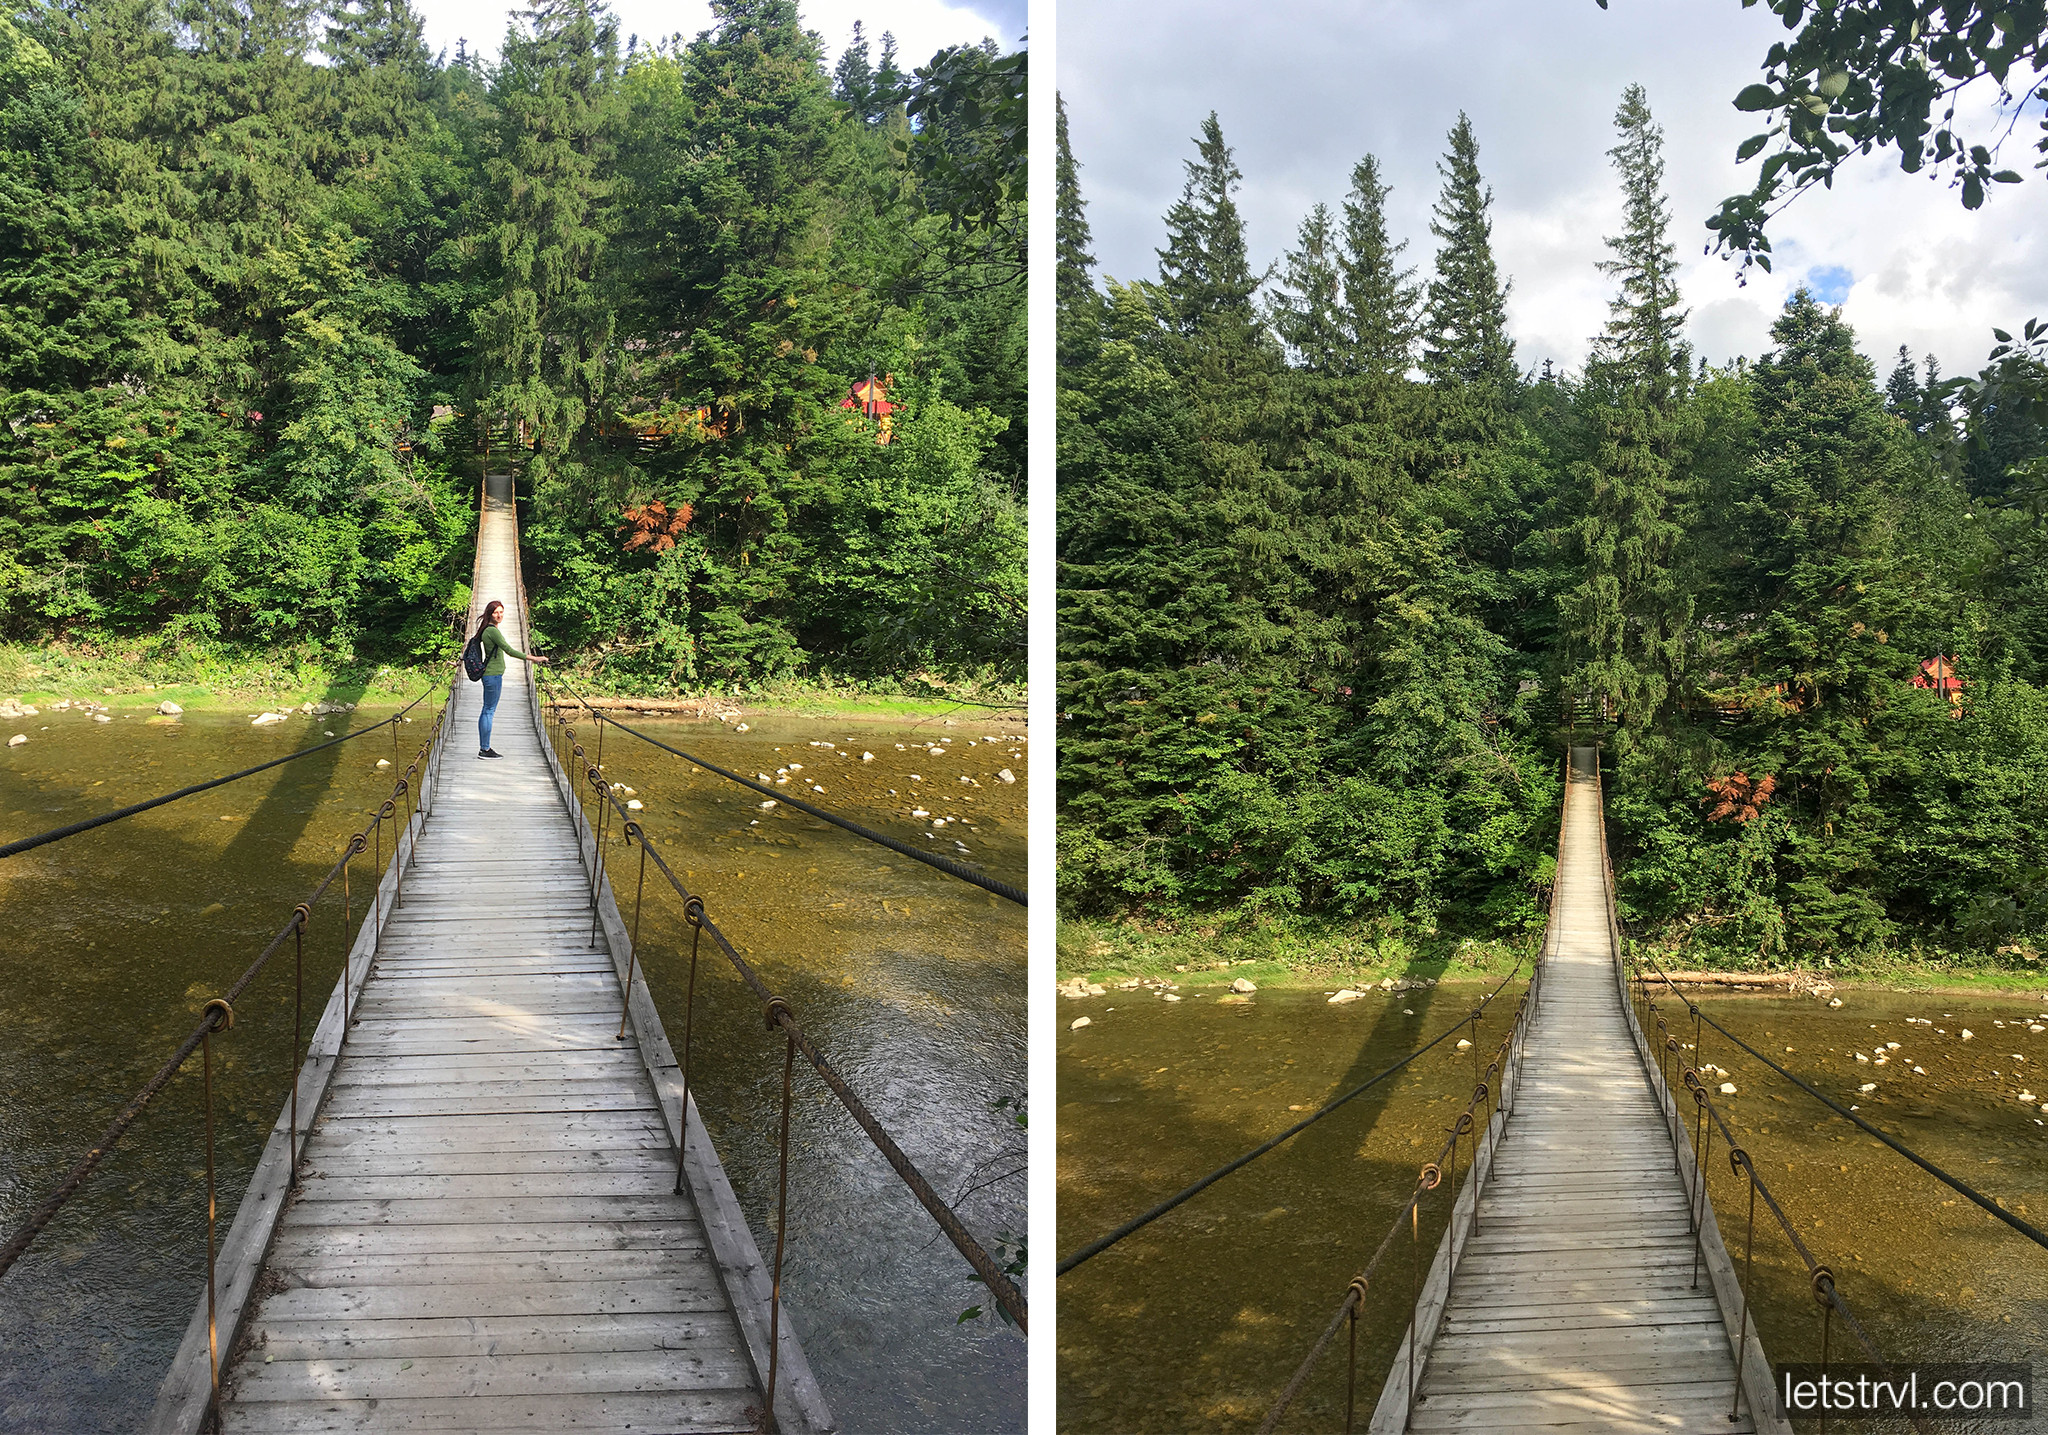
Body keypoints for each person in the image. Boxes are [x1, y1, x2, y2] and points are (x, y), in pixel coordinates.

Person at [471, 600, 548, 757]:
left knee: (487, 710)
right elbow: (509, 651)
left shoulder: (487, 629)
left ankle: (483, 747)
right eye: (496, 612)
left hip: (491, 675)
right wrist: (534, 658)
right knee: (488, 711)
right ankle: (484, 749)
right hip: (492, 676)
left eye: (501, 612)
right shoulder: (492, 631)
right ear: (490, 614)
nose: (499, 615)